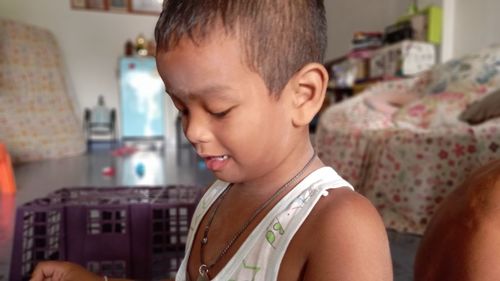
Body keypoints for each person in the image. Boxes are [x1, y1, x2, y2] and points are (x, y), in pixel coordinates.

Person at [30, 0, 392, 280]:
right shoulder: (218, 194)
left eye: (218, 110)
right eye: (182, 108)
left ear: (304, 95)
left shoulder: (343, 229)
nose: (192, 131)